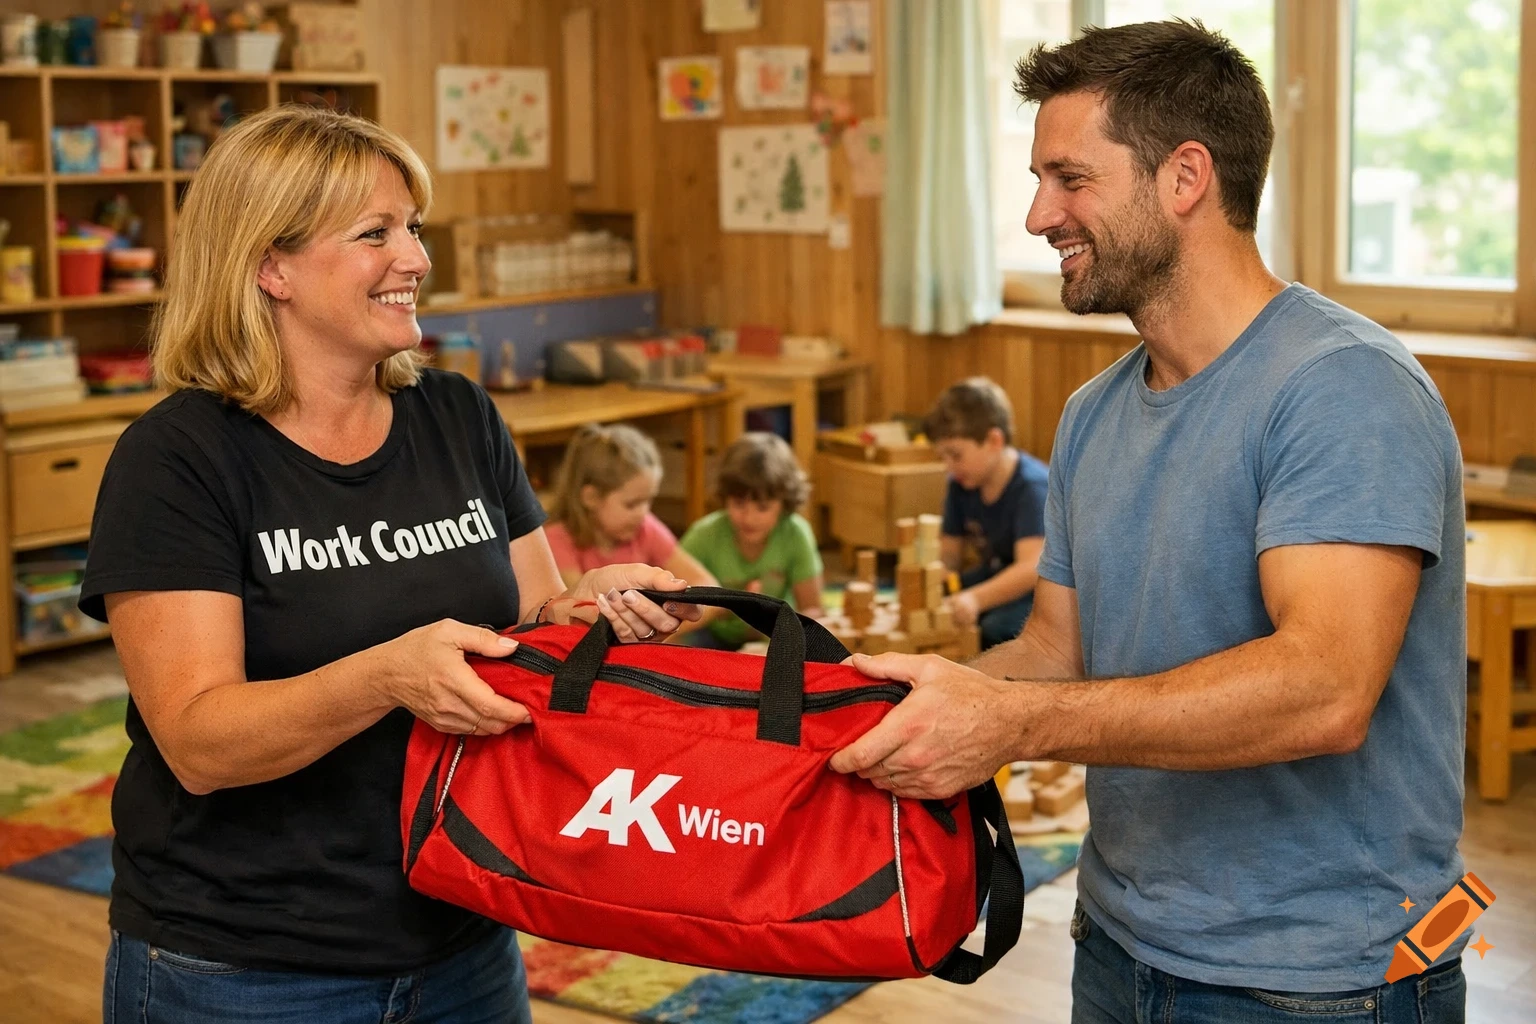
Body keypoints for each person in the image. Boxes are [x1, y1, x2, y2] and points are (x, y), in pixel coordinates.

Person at [831, 21, 1467, 1023]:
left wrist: (1013, 724)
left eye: (1070, 179)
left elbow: (1325, 691)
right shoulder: (1092, 413)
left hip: (1322, 982)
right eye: (1039, 181)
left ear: (1185, 177)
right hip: (1120, 946)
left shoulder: (1345, 387)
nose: (1039, 214)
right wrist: (866, 708)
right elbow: (1055, 652)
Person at [81, 105, 696, 1024]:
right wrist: (386, 677)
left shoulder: (458, 416)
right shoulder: (178, 460)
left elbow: (532, 627)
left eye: (413, 227)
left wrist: (592, 607)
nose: (415, 257)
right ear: (271, 266)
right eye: (376, 233)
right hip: (246, 968)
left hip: (467, 928)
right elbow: (199, 745)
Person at [925, 377, 1048, 648]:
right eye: (943, 457)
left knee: (995, 626)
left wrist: (975, 599)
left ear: (994, 441)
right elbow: (950, 555)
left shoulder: (1031, 487)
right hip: (998, 571)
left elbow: (1031, 568)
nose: (949, 466)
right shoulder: (961, 483)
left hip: (1045, 585)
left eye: (956, 455)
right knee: (945, 598)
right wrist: (939, 574)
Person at [679, 432, 825, 649]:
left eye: (762, 507)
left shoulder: (796, 533)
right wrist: (729, 608)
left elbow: (812, 609)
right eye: (739, 504)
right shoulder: (703, 535)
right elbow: (677, 608)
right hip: (712, 637)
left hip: (774, 635)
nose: (749, 518)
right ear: (725, 497)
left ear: (784, 503)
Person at [543, 422, 718, 592]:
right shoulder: (556, 540)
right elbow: (581, 604)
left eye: (648, 500)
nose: (643, 512)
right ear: (591, 498)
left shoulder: (645, 528)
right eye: (632, 504)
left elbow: (706, 583)